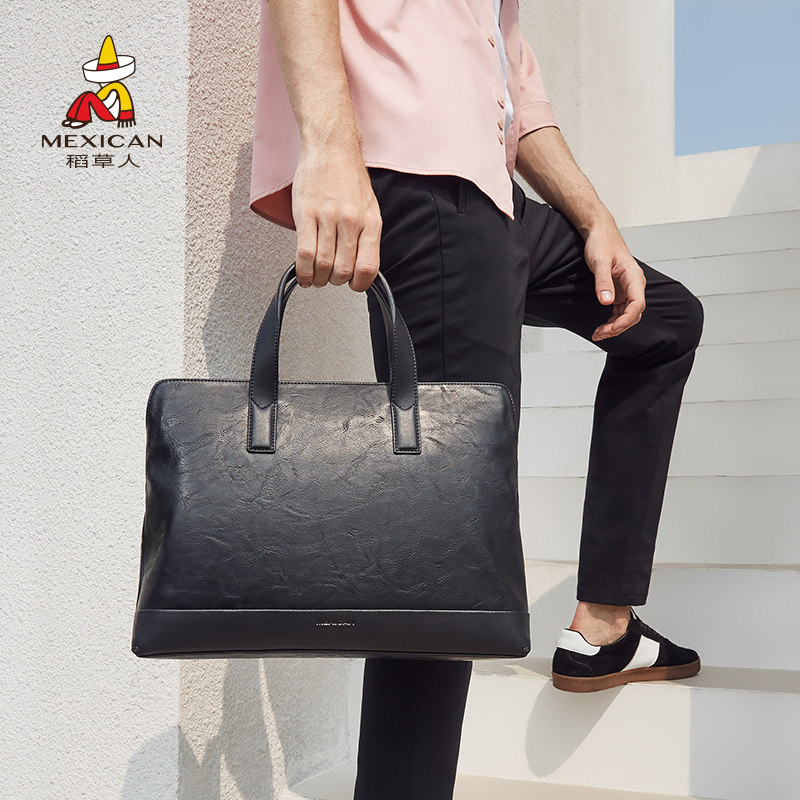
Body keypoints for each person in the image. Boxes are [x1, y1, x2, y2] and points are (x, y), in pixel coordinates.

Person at [249, 1, 704, 797]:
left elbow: (515, 82)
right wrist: (330, 147)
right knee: (450, 530)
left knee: (664, 322)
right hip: (421, 184)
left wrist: (595, 218)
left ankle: (605, 622)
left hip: (495, 197)